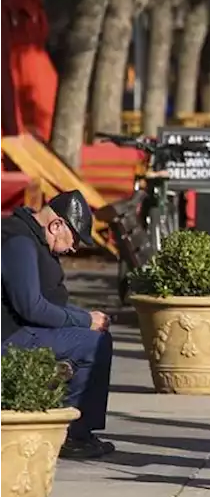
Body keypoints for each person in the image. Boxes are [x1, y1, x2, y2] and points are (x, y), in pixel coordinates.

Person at [0, 191, 115, 459]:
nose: (73, 248)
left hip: (15, 329)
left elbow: (46, 304)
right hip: (8, 337)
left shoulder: (28, 237)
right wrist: (86, 321)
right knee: (94, 344)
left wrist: (83, 318)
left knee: (88, 336)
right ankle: (75, 435)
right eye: (74, 239)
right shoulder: (19, 242)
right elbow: (32, 307)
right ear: (56, 225)